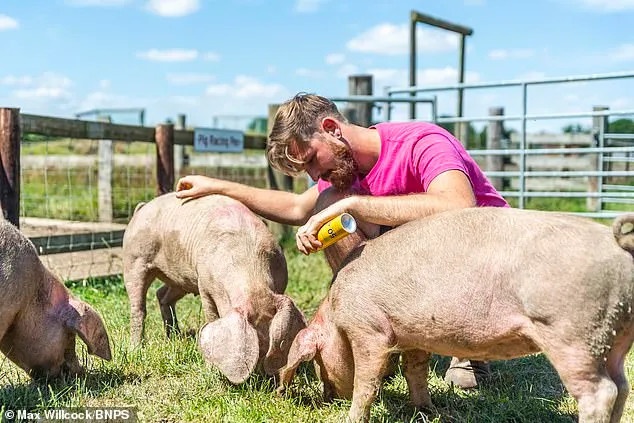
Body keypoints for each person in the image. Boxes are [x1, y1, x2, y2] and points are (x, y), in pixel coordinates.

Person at [176, 92, 509, 389]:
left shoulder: (421, 141)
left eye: (310, 160)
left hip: (485, 260)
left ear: (332, 128)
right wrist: (218, 187)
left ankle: (468, 352)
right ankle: (385, 339)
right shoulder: (343, 172)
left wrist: (355, 204)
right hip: (424, 265)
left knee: (337, 206)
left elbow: (458, 206)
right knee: (327, 210)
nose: (313, 175)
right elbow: (295, 207)